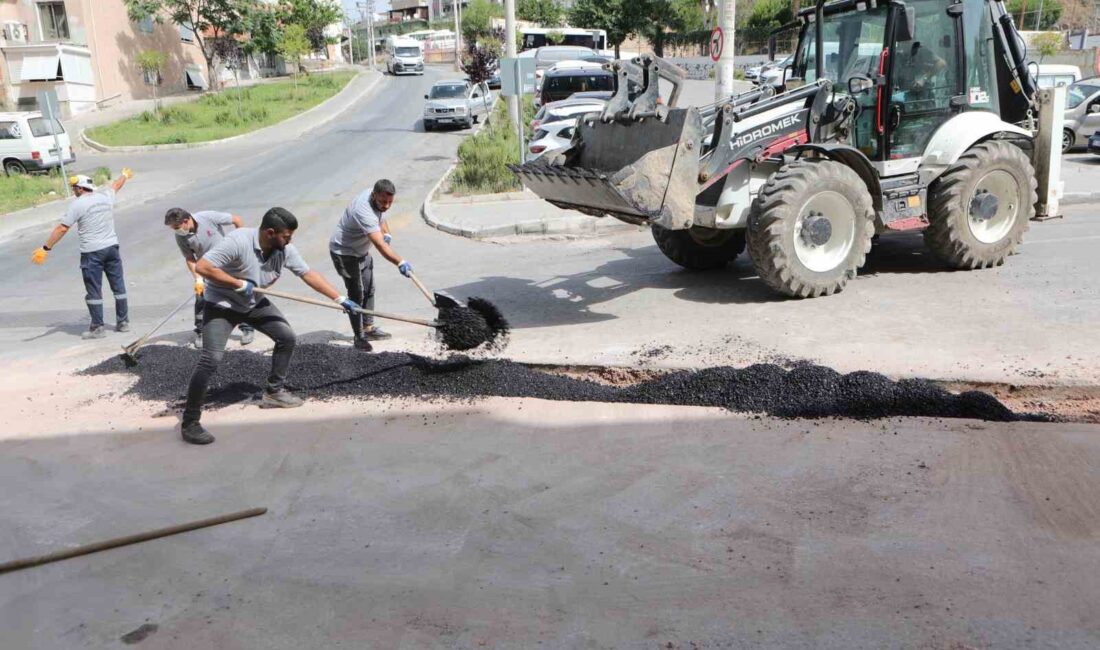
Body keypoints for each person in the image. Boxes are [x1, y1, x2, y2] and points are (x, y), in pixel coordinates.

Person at [181, 207, 360, 445]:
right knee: (211, 358)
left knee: (286, 337)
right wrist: (236, 283)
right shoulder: (238, 241)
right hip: (222, 304)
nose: (290, 240)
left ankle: (274, 393)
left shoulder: (283, 249)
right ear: (270, 232)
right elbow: (203, 268)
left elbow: (307, 274)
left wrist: (340, 299)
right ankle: (190, 422)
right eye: (286, 236)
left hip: (253, 303)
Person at [31, 169, 134, 339]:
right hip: (112, 248)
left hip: (92, 253)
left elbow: (62, 228)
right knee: (118, 287)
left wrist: (46, 248)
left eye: (74, 188)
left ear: (80, 188)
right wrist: (124, 175)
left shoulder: (78, 204)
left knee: (94, 290)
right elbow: (116, 185)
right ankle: (123, 323)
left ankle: (97, 328)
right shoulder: (105, 197)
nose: (73, 192)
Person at [329, 179, 414, 352]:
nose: (387, 205)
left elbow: (381, 217)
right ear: (374, 195)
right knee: (356, 295)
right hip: (344, 253)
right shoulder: (364, 210)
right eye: (384, 202)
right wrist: (400, 262)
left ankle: (368, 328)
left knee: (369, 289)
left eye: (390, 202)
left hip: (361, 252)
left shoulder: (377, 197)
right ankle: (359, 337)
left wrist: (387, 233)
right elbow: (380, 246)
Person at [164, 207, 255, 348]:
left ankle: (247, 327)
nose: (176, 231)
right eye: (173, 228)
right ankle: (202, 331)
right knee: (201, 297)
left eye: (177, 227)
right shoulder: (180, 236)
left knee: (239, 293)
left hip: (228, 262)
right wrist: (198, 278)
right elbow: (189, 258)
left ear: (186, 220)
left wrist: (241, 242)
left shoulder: (207, 217)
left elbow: (236, 220)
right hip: (206, 268)